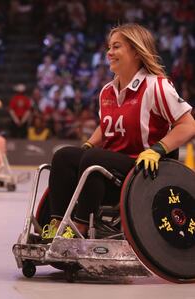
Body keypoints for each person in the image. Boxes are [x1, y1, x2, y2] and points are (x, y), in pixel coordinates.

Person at [41, 23, 195, 239]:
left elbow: (188, 125)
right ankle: (56, 225)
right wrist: (88, 144)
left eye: (116, 47)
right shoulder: (107, 91)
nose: (109, 53)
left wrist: (158, 149)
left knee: (94, 159)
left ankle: (80, 227)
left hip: (143, 169)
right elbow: (106, 125)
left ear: (136, 51)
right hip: (111, 166)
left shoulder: (156, 86)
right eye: (109, 47)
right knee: (64, 155)